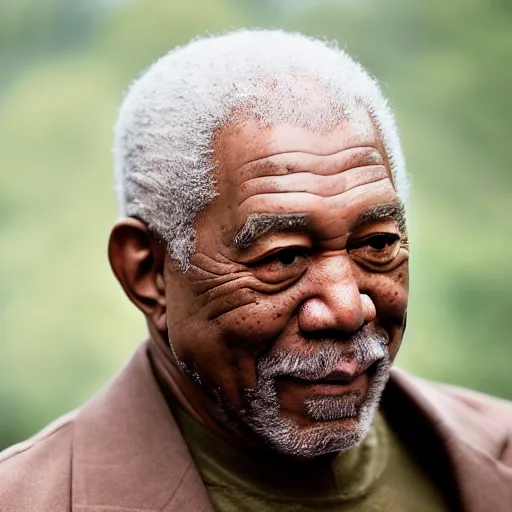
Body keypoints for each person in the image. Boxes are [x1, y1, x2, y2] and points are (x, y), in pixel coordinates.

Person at [1, 29, 511, 512]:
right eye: (283, 257)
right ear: (149, 273)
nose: (346, 307)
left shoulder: (496, 460)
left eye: (377, 244)